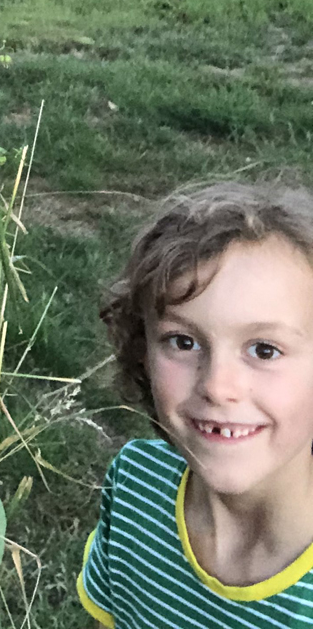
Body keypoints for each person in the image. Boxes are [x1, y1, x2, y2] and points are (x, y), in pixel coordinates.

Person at [79, 182, 313, 627]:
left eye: (264, 350)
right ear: (142, 353)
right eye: (183, 342)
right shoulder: (136, 486)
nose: (217, 386)